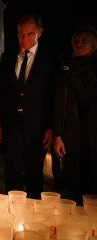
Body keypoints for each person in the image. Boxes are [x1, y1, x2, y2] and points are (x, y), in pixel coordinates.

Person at [0, 14, 61, 198]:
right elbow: (0, 91)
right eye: (21, 34)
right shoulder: (8, 57)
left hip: (37, 127)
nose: (25, 39)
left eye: (30, 34)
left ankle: (33, 214)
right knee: (12, 172)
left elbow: (54, 95)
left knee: (34, 175)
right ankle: (12, 211)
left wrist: (51, 127)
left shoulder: (50, 59)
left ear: (39, 32)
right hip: (11, 126)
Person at [54, 27, 97, 204]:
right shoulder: (67, 70)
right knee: (75, 183)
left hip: (93, 131)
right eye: (77, 42)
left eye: (84, 41)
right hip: (73, 133)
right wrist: (58, 135)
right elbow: (58, 105)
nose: (79, 45)